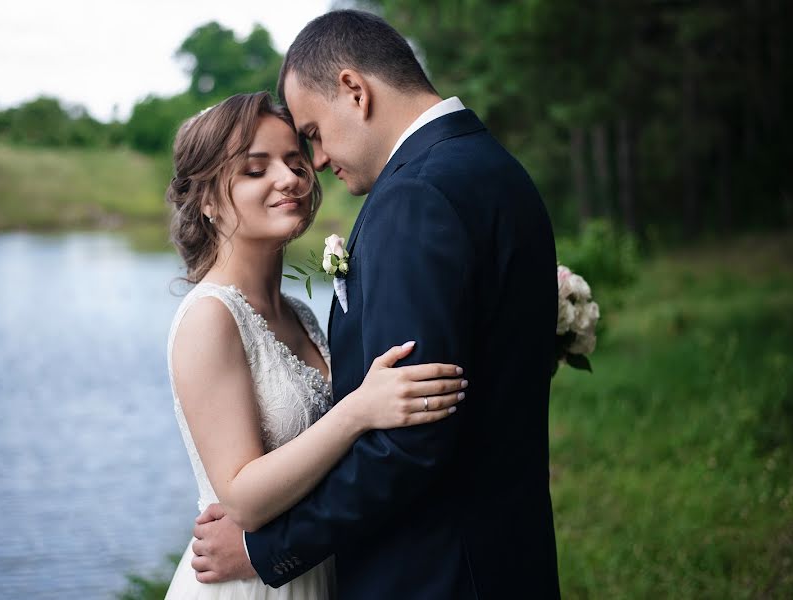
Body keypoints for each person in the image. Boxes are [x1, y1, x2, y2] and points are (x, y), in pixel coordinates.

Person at [190, 9, 561, 600]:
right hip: (507, 556)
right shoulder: (495, 168)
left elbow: (412, 438)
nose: (312, 164)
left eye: (310, 135)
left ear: (354, 91)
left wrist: (266, 549)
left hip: (436, 573)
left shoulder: (415, 196)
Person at [164, 91, 466, 599]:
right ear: (209, 200)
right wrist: (358, 411)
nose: (290, 178)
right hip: (251, 584)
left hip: (317, 567)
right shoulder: (210, 319)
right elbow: (242, 499)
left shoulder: (298, 312)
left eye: (294, 160)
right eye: (255, 170)